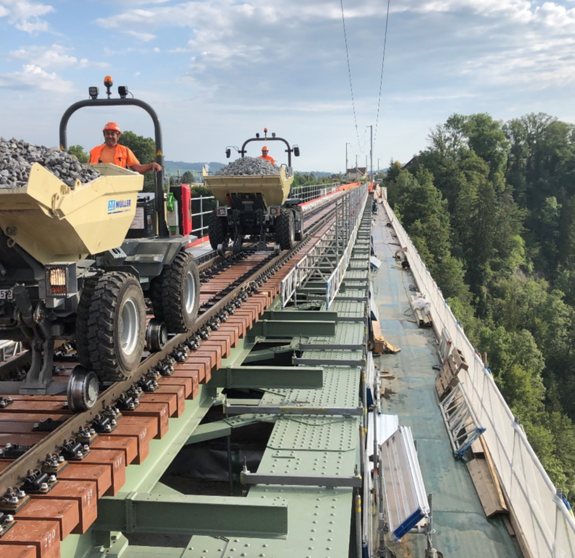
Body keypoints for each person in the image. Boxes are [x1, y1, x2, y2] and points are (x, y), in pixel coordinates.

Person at [89, 122, 162, 174]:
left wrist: (151, 165)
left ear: (118, 136)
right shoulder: (95, 150)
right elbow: (87, 170)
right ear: (104, 135)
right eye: (107, 134)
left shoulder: (125, 151)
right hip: (98, 186)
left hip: (118, 186)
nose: (110, 136)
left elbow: (139, 168)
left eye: (112, 134)